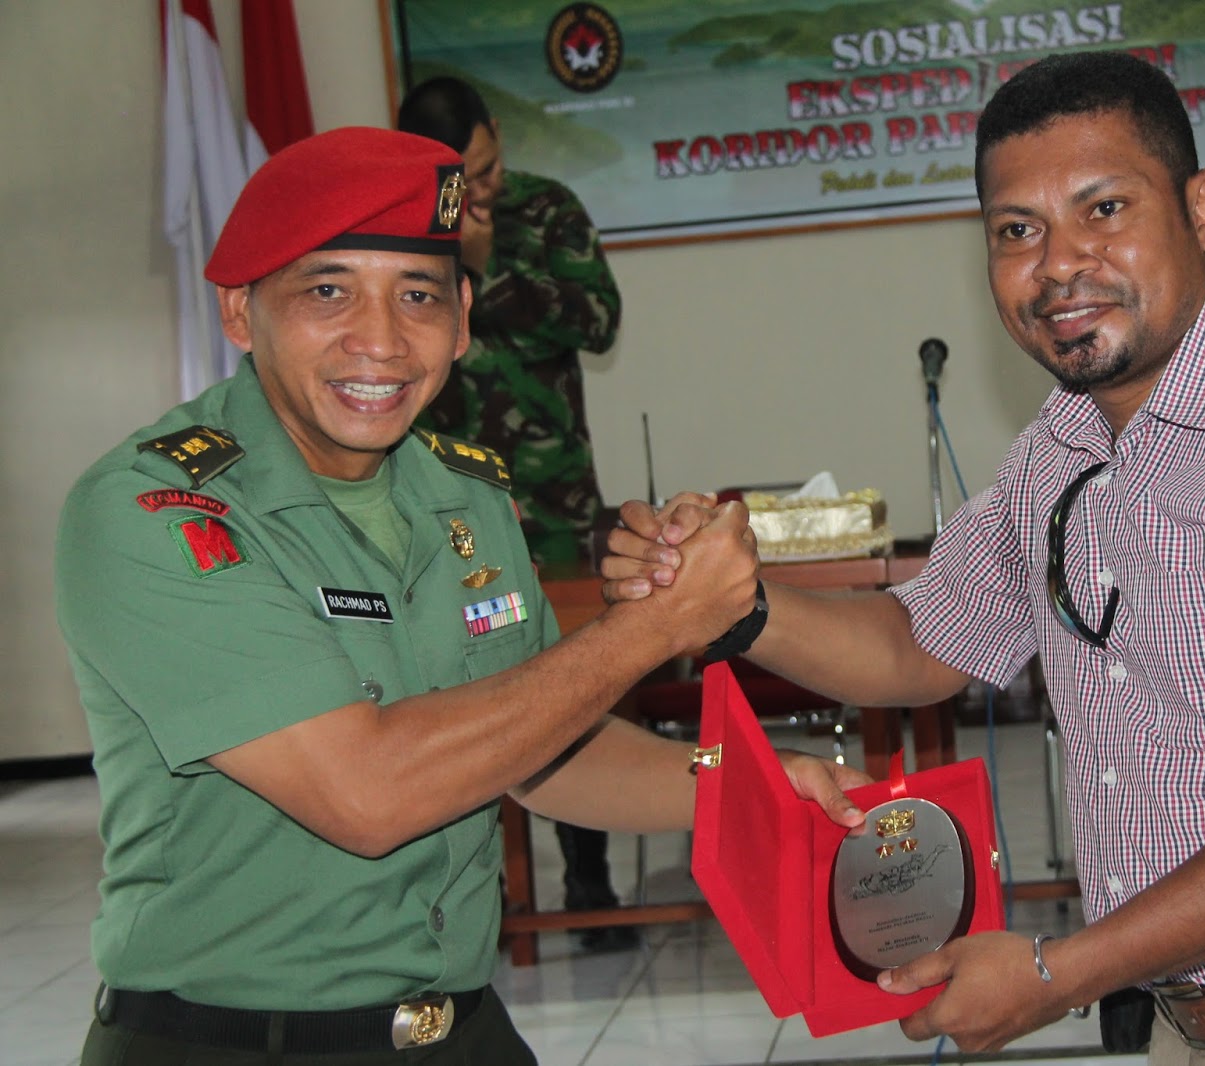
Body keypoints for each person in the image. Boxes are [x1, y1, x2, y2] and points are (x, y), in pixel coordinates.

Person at [601, 52, 1205, 1063]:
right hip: (1193, 1022)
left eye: (1104, 209)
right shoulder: (1059, 450)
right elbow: (915, 644)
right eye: (1016, 231)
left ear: (1201, 209)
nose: (1059, 263)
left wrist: (1057, 975)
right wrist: (732, 603)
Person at [55, 126, 868, 1066]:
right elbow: (368, 793)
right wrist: (654, 628)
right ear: (241, 311)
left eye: (418, 295)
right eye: (327, 291)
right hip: (235, 1043)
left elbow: (542, 748)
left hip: (461, 1032)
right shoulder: (156, 512)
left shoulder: (465, 495)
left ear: (464, 317)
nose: (380, 341)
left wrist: (739, 784)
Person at [396, 75, 637, 951]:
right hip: (432, 505)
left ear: (497, 136)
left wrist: (490, 266)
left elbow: (599, 321)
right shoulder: (401, 229)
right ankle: (478, 894)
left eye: (488, 168)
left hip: (550, 496)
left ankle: (588, 879)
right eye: (463, 180)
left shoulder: (547, 209)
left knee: (568, 680)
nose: (484, 190)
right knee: (451, 693)